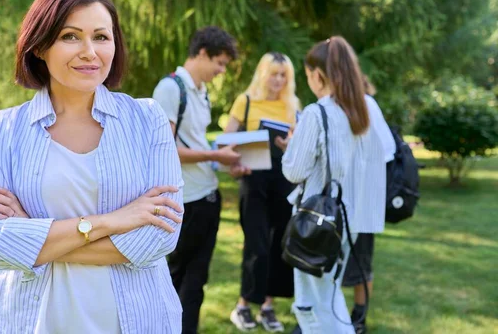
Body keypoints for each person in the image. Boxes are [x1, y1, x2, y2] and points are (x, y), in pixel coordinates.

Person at [0, 0, 185, 334]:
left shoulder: (148, 119)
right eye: (70, 36)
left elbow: (159, 238)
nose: (89, 52)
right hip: (34, 321)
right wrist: (116, 220)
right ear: (39, 46)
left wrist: (31, 237)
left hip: (138, 318)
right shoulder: (1, 130)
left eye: (101, 36)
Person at [279, 36, 386, 334]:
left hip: (314, 219)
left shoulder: (318, 112)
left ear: (317, 74)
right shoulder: (359, 111)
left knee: (312, 303)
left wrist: (292, 145)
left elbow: (294, 170)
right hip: (346, 217)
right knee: (328, 294)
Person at [152, 26, 244, 334]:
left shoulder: (201, 92)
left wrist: (225, 162)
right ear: (202, 53)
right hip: (186, 200)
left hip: (208, 197)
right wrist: (216, 157)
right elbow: (167, 150)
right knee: (174, 278)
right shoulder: (171, 88)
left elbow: (196, 143)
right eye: (219, 62)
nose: (221, 71)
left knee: (196, 283)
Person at [224, 52, 300, 332]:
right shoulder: (244, 102)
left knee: (279, 244)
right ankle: (244, 305)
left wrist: (287, 147)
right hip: (253, 180)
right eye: (274, 74)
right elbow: (226, 144)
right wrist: (235, 159)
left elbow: (301, 150)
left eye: (284, 75)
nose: (279, 80)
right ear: (263, 74)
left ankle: (268, 306)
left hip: (283, 182)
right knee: (255, 244)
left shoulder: (293, 106)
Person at [341, 75, 396, 334]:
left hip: (361, 200)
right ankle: (335, 317)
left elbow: (386, 150)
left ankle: (358, 318)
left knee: (361, 262)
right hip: (340, 201)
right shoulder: (333, 104)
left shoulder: (365, 104)